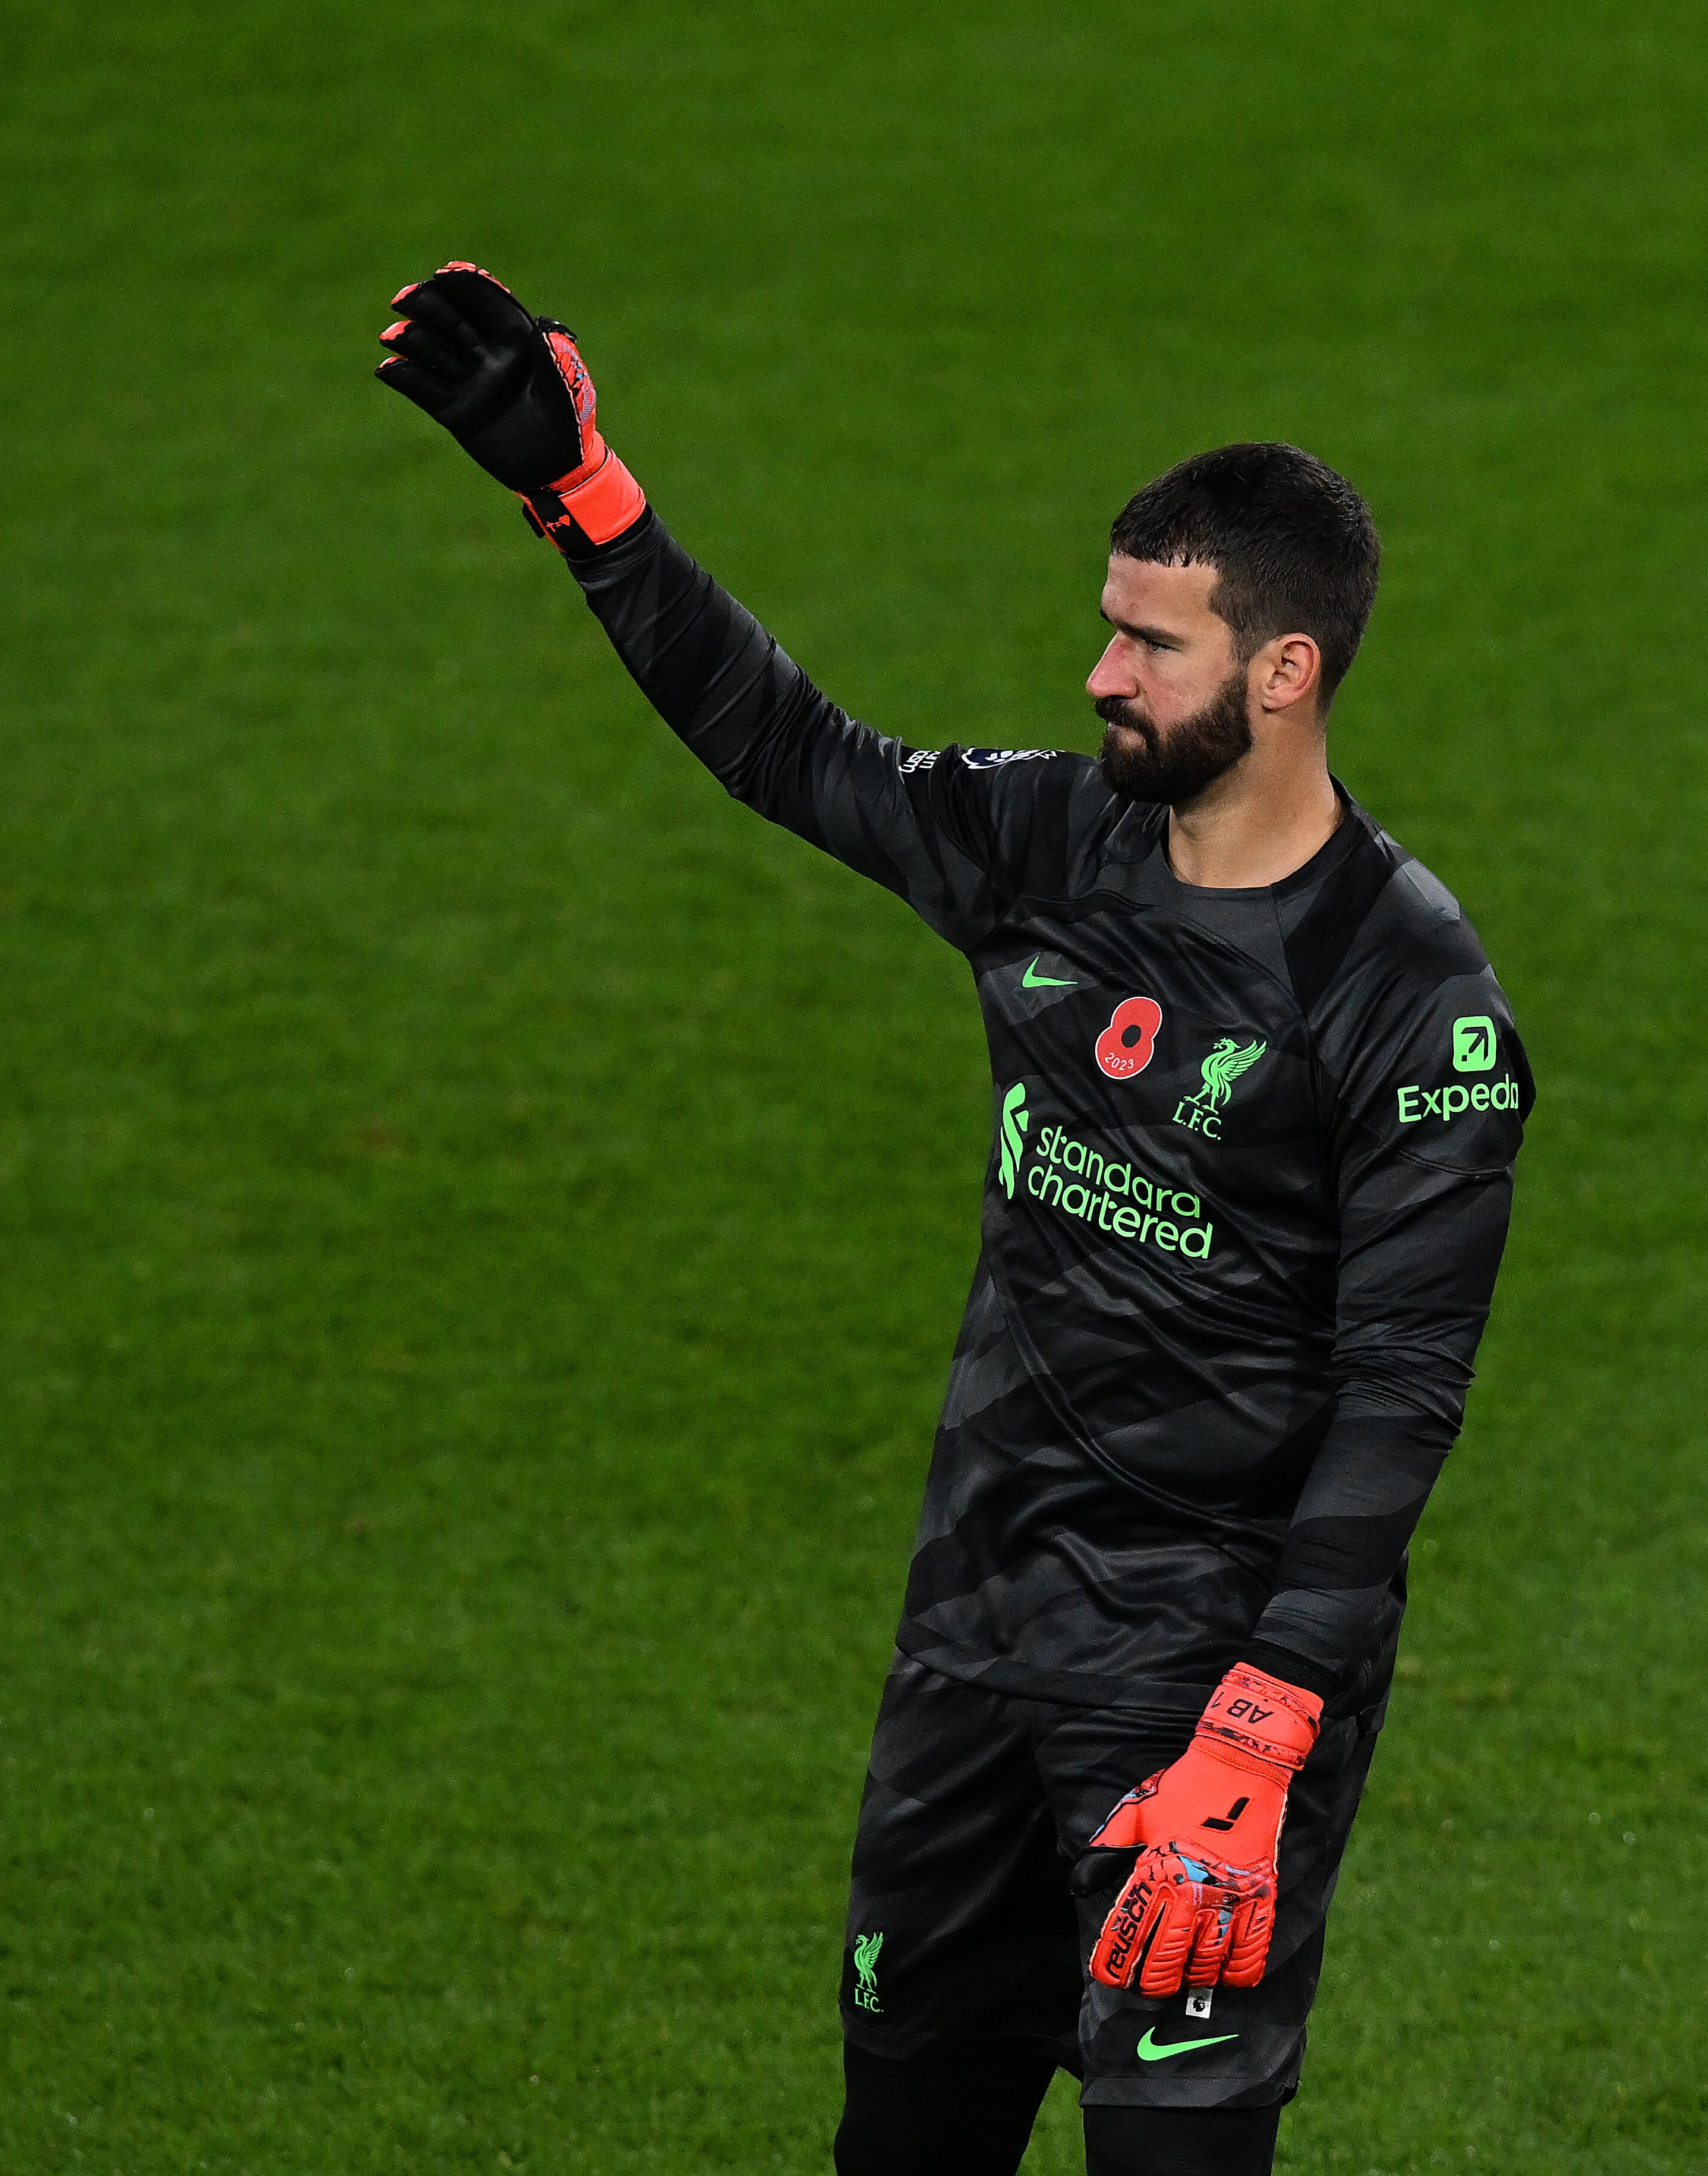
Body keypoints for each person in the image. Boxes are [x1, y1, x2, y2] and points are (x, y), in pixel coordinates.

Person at [376, 263, 1531, 2176]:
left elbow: (1404, 1384)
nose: (1101, 676)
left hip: (1198, 1706)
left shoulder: (1414, 1003)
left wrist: (1263, 1727)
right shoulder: (1053, 845)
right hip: (975, 1650)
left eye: (1152, 645)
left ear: (1285, 673)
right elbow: (791, 749)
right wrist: (588, 498)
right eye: (1108, 628)